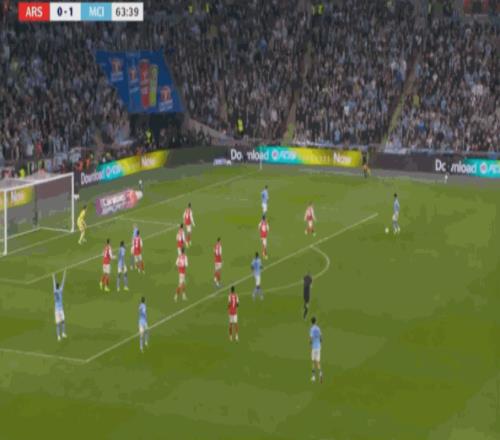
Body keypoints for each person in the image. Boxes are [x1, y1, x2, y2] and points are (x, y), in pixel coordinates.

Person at [52, 270, 67, 341]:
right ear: (59, 286)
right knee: (63, 322)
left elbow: (54, 283)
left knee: (58, 324)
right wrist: (64, 273)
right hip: (60, 310)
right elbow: (63, 282)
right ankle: (63, 333)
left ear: (56, 286)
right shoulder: (60, 290)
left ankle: (58, 336)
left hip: (57, 310)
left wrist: (53, 276)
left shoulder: (54, 291)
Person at [310, 317, 323, 383]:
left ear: (311, 322)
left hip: (314, 347)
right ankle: (320, 373)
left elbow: (311, 338)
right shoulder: (318, 328)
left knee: (313, 362)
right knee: (317, 362)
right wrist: (319, 342)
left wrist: (310, 343)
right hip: (318, 347)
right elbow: (321, 338)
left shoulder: (312, 329)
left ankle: (313, 377)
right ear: (316, 321)